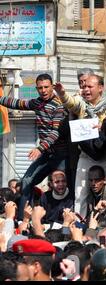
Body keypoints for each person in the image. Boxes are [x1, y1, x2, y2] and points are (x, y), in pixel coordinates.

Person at [0, 74, 69, 220]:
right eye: (40, 88)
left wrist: (39, 148)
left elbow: (55, 132)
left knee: (62, 186)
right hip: (46, 154)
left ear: (52, 87)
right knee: (26, 182)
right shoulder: (37, 103)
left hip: (60, 155)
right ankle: (23, 219)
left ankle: (63, 220)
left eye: (46, 87)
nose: (43, 91)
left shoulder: (59, 105)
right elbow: (17, 103)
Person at [54, 75, 106, 219]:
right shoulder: (81, 104)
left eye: (90, 87)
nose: (86, 89)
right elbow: (70, 103)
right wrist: (61, 93)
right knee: (80, 192)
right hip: (86, 156)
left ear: (100, 88)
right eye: (84, 87)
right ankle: (78, 224)